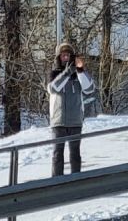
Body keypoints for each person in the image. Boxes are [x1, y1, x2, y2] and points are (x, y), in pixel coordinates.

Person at [48, 42, 85, 175]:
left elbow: (89, 89)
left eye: (68, 56)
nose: (66, 58)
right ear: (59, 57)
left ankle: (75, 182)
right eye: (63, 56)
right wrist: (67, 73)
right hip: (59, 121)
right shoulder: (54, 74)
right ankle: (56, 183)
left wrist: (80, 71)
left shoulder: (78, 76)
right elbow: (53, 88)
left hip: (75, 121)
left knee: (75, 154)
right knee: (58, 154)